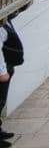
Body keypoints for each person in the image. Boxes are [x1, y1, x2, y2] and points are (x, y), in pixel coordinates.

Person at [0, 15, 20, 145]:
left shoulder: (4, 23)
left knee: (1, 102)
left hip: (6, 68)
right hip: (2, 73)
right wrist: (3, 73)